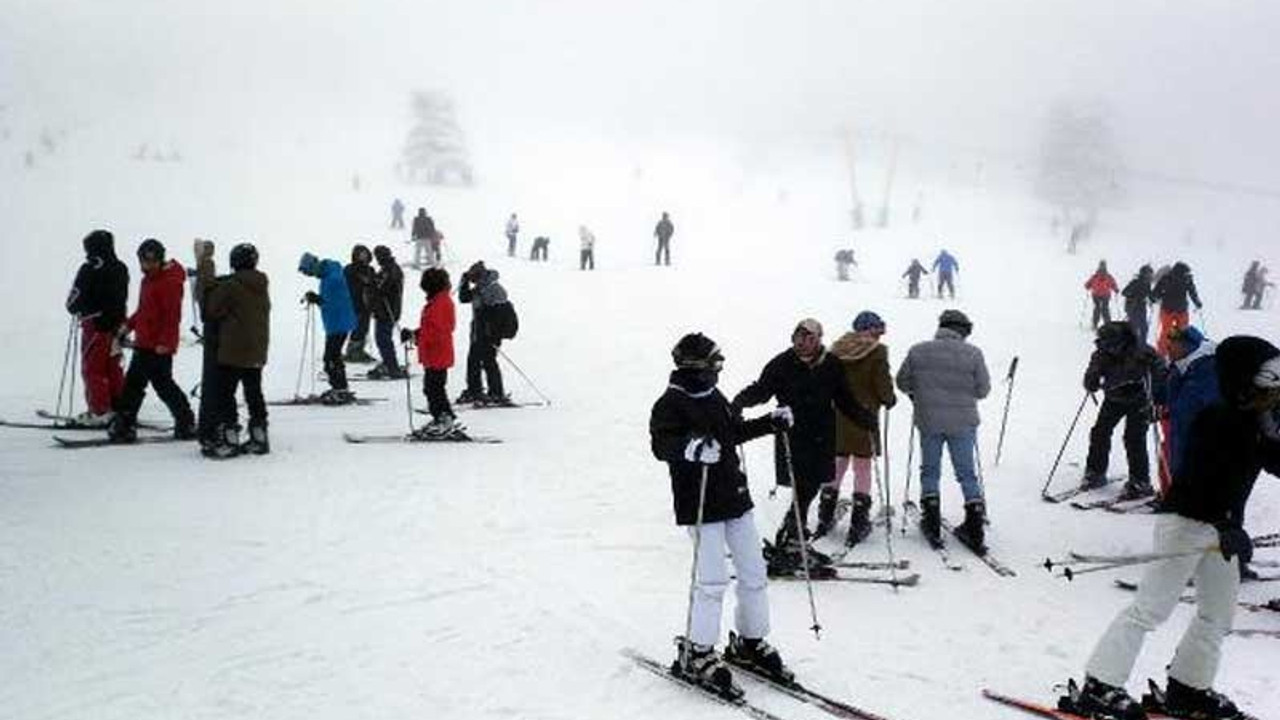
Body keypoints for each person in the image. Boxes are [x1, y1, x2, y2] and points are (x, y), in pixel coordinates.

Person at [1067, 336, 1280, 720]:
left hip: (1221, 531)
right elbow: (1200, 482)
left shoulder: (1257, 421)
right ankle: (1099, 686)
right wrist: (1225, 525)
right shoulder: (1218, 418)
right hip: (1186, 522)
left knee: (1218, 614)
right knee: (1150, 609)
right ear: (1247, 379)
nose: (1276, 389)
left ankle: (1188, 687)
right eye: (1271, 380)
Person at [649, 332, 795, 699]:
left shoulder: (714, 397)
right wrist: (691, 448)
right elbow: (661, 445)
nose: (719, 370)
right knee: (712, 580)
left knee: (754, 573)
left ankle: (750, 640)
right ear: (696, 368)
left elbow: (732, 433)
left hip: (734, 496)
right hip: (699, 504)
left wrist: (769, 422)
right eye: (715, 364)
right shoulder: (669, 404)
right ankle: (697, 652)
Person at [731, 319, 876, 570]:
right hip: (791, 433)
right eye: (797, 338)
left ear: (818, 339)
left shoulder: (831, 364)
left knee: (811, 485)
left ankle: (792, 535)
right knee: (803, 484)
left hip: (821, 433)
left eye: (807, 339)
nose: (801, 344)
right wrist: (739, 403)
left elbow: (844, 398)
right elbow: (762, 390)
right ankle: (793, 537)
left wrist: (863, 418)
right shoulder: (782, 363)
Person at [895, 309, 991, 553]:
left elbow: (902, 382)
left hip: (929, 419)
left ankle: (932, 518)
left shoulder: (918, 350)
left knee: (930, 470)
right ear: (962, 330)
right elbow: (983, 390)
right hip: (963, 422)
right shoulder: (973, 353)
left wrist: (919, 395)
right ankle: (975, 523)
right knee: (967, 473)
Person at [818, 311, 897, 546]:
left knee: (837, 464)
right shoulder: (877, 351)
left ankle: (825, 515)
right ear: (871, 329)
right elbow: (882, 384)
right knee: (862, 468)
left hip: (838, 416)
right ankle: (858, 522)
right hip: (864, 416)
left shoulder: (836, 350)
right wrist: (889, 399)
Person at [107, 239, 197, 443]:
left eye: (151, 262)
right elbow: (145, 311)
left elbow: (171, 315)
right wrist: (127, 326)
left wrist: (165, 343)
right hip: (145, 343)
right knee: (153, 384)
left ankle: (127, 425)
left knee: (142, 385)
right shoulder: (149, 280)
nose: (146, 266)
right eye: (143, 261)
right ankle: (184, 421)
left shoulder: (169, 282)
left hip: (157, 347)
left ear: (160, 260)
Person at [194, 240, 270, 458]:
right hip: (257, 350)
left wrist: (206, 275)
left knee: (226, 394)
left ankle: (229, 439)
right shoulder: (261, 284)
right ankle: (259, 437)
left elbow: (210, 309)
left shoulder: (230, 286)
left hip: (233, 350)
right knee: (254, 392)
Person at [1080, 322, 1168, 500]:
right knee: (1100, 432)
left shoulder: (1143, 352)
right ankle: (1095, 472)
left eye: (1112, 345)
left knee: (1133, 437)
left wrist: (1157, 400)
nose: (1109, 349)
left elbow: (1161, 373)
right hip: (1114, 396)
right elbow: (1093, 372)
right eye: (1105, 345)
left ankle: (1140, 481)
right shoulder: (1101, 353)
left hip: (1140, 399)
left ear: (1123, 340)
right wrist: (1091, 380)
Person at [65, 229, 129, 426]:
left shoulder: (89, 269)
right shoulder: (120, 267)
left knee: (93, 369)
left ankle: (100, 411)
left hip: (95, 325)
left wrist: (75, 306)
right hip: (117, 326)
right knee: (113, 368)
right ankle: (120, 408)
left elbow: (73, 302)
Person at [401, 268, 460, 438]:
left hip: (437, 353)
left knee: (434, 388)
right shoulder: (438, 301)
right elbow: (430, 328)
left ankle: (444, 419)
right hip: (435, 352)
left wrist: (415, 336)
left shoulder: (440, 303)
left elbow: (437, 331)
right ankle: (443, 417)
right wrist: (415, 333)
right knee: (433, 387)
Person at [1163, 326, 1216, 498]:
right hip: (1183, 428)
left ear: (1187, 345)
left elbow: (1189, 407)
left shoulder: (1205, 368)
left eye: (1172, 345)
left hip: (1201, 431)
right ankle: (1174, 494)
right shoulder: (1182, 363)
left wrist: (1172, 411)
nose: (1168, 349)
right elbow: (1172, 393)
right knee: (1171, 453)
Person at [298, 252, 357, 404]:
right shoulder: (330, 273)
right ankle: (340, 387)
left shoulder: (331, 279)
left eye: (308, 271)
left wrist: (317, 299)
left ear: (313, 267)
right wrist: (318, 299)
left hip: (338, 323)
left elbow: (332, 303)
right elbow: (332, 300)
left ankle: (340, 389)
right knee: (333, 356)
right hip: (338, 322)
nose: (309, 275)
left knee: (330, 358)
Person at [456, 261, 508, 405]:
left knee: (488, 361)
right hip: (478, 331)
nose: (472, 281)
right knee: (473, 361)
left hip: (490, 333)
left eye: (473, 278)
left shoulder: (495, 288)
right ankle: (474, 390)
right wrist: (463, 283)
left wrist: (491, 333)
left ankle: (496, 392)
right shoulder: (480, 287)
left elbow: (498, 314)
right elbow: (464, 298)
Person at [365, 245, 407, 380]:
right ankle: (388, 363)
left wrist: (371, 282)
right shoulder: (388, 268)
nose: (378, 259)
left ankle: (392, 366)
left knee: (383, 339)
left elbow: (382, 288)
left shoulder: (390, 269)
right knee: (383, 338)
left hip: (388, 309)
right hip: (386, 309)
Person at [1152, 262, 1202, 357]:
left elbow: (1156, 292)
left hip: (1167, 309)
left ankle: (1161, 353)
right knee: (1183, 331)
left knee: (1166, 331)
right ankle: (1182, 352)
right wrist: (1197, 302)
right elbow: (1192, 292)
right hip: (1181, 310)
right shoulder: (1187, 279)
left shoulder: (1166, 278)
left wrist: (1155, 298)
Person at [343, 244, 376, 363]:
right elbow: (346, 285)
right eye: (361, 254)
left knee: (364, 327)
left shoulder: (370, 270)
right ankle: (353, 351)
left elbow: (374, 285)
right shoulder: (349, 269)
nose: (363, 256)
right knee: (357, 327)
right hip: (354, 302)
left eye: (365, 253)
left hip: (367, 304)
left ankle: (359, 350)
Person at [1121, 265, 1156, 344]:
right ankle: (1131, 345)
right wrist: (1133, 296)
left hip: (1141, 307)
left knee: (1144, 328)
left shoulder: (1147, 284)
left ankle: (1142, 345)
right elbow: (1124, 292)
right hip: (1132, 308)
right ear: (1143, 273)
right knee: (1134, 327)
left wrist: (1153, 299)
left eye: (1151, 274)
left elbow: (1149, 294)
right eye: (1149, 274)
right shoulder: (1135, 282)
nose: (1150, 276)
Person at [1084, 261, 1120, 329]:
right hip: (1100, 295)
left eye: (1103, 266)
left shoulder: (1098, 276)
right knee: (1102, 309)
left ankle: (1099, 324)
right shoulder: (1100, 276)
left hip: (1101, 295)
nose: (1102, 267)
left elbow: (1088, 284)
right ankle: (1103, 324)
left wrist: (1087, 286)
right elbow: (1113, 284)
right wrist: (1115, 289)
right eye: (1102, 266)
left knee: (1100, 309)